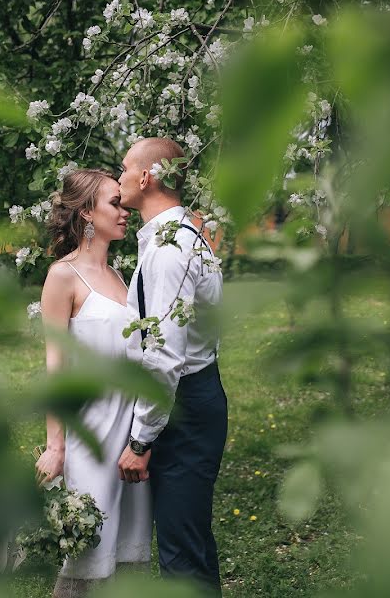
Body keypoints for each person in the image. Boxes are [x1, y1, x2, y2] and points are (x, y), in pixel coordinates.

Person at [33, 169, 152, 598]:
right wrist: (56, 446)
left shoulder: (122, 276)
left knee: (127, 555)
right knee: (87, 555)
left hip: (130, 438)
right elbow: (55, 367)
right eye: (115, 203)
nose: (125, 212)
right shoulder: (62, 277)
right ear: (86, 212)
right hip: (92, 436)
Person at [116, 138, 227, 595]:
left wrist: (141, 440)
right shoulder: (187, 235)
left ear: (146, 178)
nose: (118, 176)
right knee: (191, 539)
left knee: (181, 551)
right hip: (198, 394)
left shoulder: (167, 249)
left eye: (124, 168)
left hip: (183, 404)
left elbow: (163, 354)